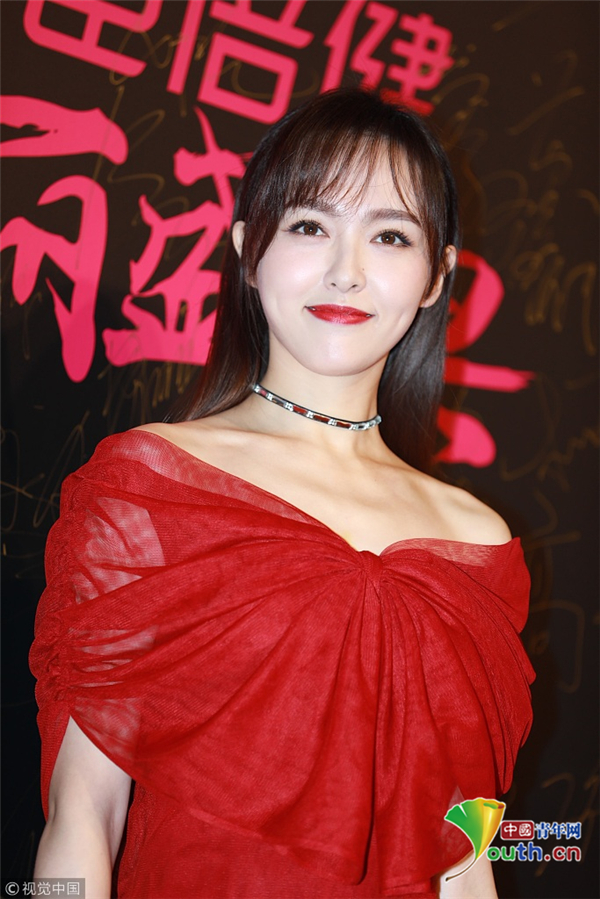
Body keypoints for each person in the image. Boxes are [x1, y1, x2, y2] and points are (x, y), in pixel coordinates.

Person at [30, 87, 534, 899]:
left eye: (390, 235)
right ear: (247, 249)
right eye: (308, 225)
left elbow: (465, 852)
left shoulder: (477, 542)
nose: (347, 270)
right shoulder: (150, 486)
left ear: (437, 276)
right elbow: (82, 813)